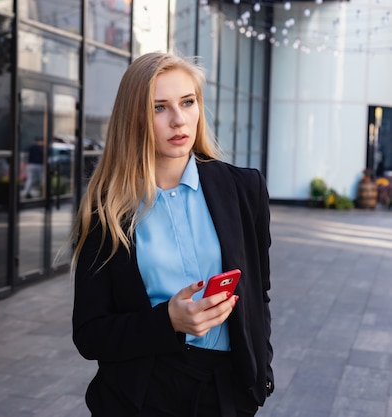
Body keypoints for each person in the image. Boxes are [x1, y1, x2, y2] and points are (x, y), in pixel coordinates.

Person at [70, 52, 273, 417]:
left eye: (187, 102)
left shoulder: (245, 189)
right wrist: (168, 321)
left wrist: (260, 376)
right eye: (159, 107)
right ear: (134, 118)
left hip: (226, 392)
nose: (179, 120)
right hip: (141, 393)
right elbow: (89, 334)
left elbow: (260, 293)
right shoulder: (107, 209)